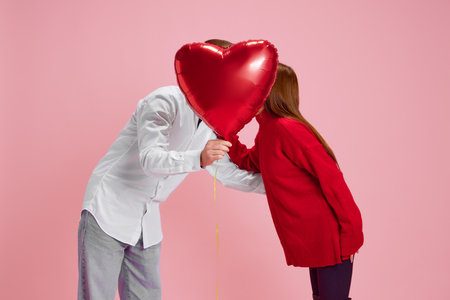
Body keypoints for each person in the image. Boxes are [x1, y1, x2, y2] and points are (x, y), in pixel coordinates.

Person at [77, 39, 265, 300]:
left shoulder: (214, 124)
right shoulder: (163, 101)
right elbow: (151, 159)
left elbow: (227, 173)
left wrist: (278, 186)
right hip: (107, 210)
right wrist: (198, 157)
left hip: (147, 223)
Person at [226, 62, 364, 300]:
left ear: (271, 92)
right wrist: (226, 132)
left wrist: (351, 234)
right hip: (315, 239)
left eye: (256, 87)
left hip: (332, 237)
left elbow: (333, 179)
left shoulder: (288, 129)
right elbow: (251, 162)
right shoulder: (268, 131)